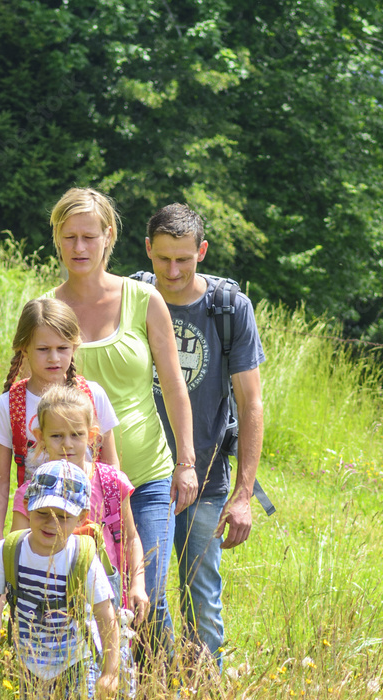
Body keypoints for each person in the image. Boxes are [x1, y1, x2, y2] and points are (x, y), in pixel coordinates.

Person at [45, 188, 198, 669]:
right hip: (78, 488)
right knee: (96, 598)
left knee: (146, 592)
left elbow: (174, 387)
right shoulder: (48, 309)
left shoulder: (143, 299)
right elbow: (32, 392)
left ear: (109, 237)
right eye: (69, 236)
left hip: (148, 477)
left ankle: (167, 692)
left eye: (90, 235)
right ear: (57, 240)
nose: (80, 247)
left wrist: (188, 463)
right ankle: (107, 697)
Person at [141, 203, 266, 668]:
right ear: (148, 249)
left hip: (208, 479)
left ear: (203, 252)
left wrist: (244, 495)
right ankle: (150, 691)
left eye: (185, 259)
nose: (173, 271)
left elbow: (251, 403)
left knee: (203, 606)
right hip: (140, 477)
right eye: (163, 258)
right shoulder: (130, 298)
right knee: (142, 597)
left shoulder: (229, 309)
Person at [0, 461, 123, 700]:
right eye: (42, 513)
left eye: (63, 516)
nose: (51, 523)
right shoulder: (10, 549)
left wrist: (110, 671)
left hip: (75, 661)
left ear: (82, 517)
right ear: (28, 504)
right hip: (29, 664)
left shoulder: (82, 558)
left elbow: (105, 615)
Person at [0, 297, 119, 553]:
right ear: (24, 349)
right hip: (35, 532)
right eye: (43, 349)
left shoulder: (93, 396)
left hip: (87, 534)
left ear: (74, 347)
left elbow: (111, 468)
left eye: (62, 348)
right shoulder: (9, 405)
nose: (54, 358)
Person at [10, 384, 148, 624]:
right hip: (47, 609)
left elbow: (131, 538)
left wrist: (138, 583)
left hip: (108, 599)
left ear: (92, 435)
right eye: (56, 436)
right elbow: (14, 550)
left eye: (76, 434)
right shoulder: (29, 494)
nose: (67, 444)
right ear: (40, 436)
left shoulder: (111, 483)